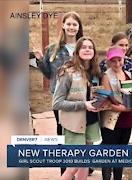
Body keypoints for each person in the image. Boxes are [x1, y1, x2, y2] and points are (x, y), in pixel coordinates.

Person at [33, 11, 83, 175]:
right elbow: (49, 74)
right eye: (68, 24)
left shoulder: (84, 46)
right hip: (60, 98)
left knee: (81, 131)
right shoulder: (53, 50)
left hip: (80, 97)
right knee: (62, 132)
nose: (71, 27)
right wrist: (40, 60)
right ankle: (65, 170)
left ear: (78, 27)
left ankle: (82, 166)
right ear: (63, 25)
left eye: (74, 24)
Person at [52, 37, 101, 180]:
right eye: (84, 47)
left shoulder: (95, 72)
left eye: (90, 47)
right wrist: (83, 105)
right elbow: (57, 103)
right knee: (73, 166)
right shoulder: (67, 72)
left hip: (91, 121)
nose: (87, 49)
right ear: (77, 51)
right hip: (73, 124)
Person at [100, 47, 132, 180]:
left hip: (126, 119)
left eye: (119, 60)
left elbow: (131, 95)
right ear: (109, 61)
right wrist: (126, 108)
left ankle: (118, 177)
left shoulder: (127, 74)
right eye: (114, 61)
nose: (117, 64)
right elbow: (107, 103)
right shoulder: (106, 77)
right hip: (112, 120)